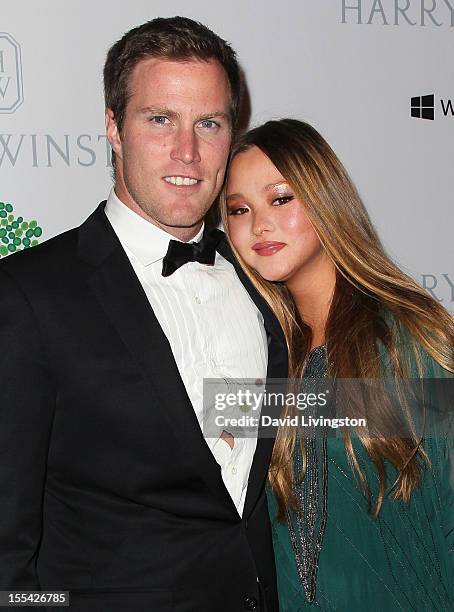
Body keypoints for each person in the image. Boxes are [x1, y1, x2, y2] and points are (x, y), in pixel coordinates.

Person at [0, 18, 288, 612]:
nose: (188, 151)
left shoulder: (265, 283)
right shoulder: (30, 296)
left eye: (208, 124)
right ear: (113, 126)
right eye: (160, 120)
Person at [221, 118, 454, 611]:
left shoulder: (407, 337)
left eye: (280, 198)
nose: (259, 223)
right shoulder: (252, 353)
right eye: (239, 209)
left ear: (325, 199)